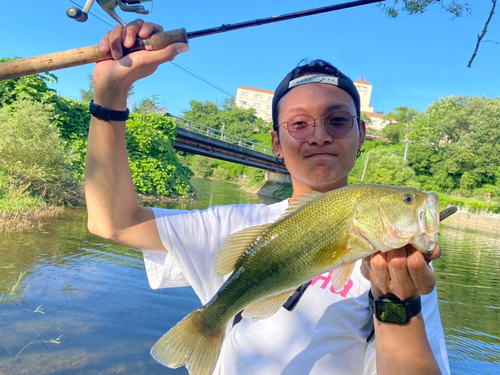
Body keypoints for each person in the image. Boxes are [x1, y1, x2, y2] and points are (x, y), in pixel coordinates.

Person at [85, 19, 450, 375]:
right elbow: (113, 223)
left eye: (338, 120)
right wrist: (110, 92)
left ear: (362, 133)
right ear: (277, 142)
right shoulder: (230, 225)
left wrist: (397, 303)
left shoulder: (407, 273)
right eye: (299, 124)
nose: (319, 135)